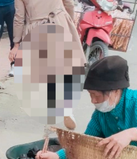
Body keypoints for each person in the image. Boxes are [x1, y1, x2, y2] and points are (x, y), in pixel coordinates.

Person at [10, 0, 85, 130]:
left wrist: (16, 43)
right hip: (58, 21)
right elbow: (69, 4)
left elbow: (19, 17)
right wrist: (69, 20)